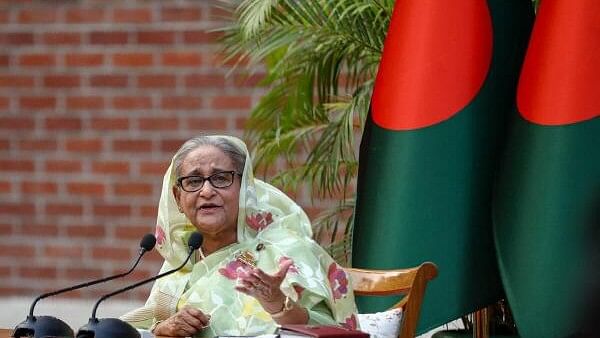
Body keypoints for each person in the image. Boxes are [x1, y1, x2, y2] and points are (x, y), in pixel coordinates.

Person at [121, 135, 358, 337]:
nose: (206, 191)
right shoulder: (179, 265)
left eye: (221, 178)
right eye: (193, 181)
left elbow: (332, 332)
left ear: (245, 189)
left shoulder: (285, 251)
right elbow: (147, 328)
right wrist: (164, 329)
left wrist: (279, 306)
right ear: (177, 198)